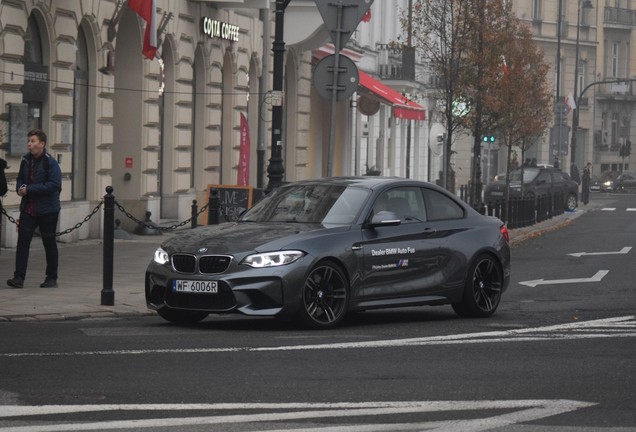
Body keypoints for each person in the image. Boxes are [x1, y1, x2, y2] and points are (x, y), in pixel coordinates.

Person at [6, 129, 62, 289]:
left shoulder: (50, 162)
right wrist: (20, 188)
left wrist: (30, 189)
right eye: (29, 141)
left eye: (33, 141)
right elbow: (20, 179)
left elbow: (54, 185)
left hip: (48, 210)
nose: (29, 145)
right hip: (28, 209)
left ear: (42, 144)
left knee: (49, 242)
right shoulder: (26, 161)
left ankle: (51, 277)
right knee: (23, 242)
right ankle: (18, 278)